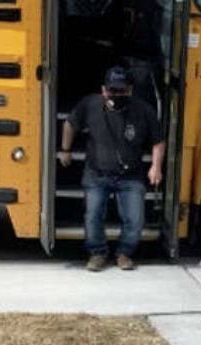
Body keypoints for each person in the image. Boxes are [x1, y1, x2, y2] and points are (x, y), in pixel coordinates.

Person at [59, 66, 165, 271]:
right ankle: (97, 253)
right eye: (112, 90)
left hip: (131, 175)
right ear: (104, 90)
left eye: (121, 90)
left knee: (135, 219)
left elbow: (158, 140)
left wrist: (156, 166)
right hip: (96, 173)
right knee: (93, 215)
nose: (116, 94)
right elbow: (70, 124)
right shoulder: (89, 104)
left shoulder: (143, 110)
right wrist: (65, 149)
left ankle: (124, 253)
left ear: (130, 91)